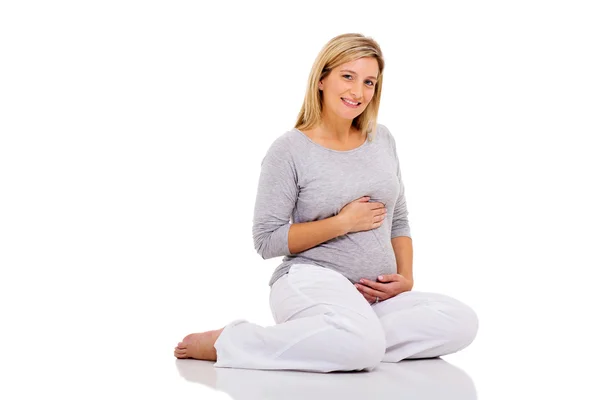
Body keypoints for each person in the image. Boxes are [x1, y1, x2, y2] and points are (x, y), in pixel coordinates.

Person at [174, 33, 479, 372]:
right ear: (322, 79)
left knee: (460, 321)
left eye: (369, 82)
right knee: (362, 345)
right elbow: (266, 241)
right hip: (310, 280)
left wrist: (406, 278)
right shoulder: (289, 150)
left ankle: (328, 338)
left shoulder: (382, 139)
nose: (358, 92)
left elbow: (400, 218)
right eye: (347, 77)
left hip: (374, 298)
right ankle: (229, 342)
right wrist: (343, 222)